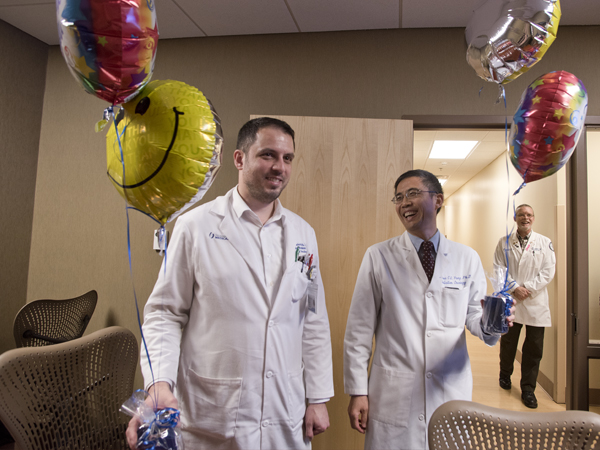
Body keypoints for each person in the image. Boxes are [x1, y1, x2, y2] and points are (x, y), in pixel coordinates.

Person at [126, 117, 334, 449]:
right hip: (214, 413)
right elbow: (165, 313)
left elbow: (313, 318)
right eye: (267, 155)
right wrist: (159, 384)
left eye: (287, 158)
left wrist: (318, 396)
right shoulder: (195, 226)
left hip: (285, 409)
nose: (279, 167)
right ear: (239, 159)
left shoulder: (303, 235)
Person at [343, 169, 514, 450]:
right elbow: (358, 330)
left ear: (438, 200)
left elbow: (473, 315)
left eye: (412, 193)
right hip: (394, 392)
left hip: (449, 390)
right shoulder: (378, 256)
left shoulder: (466, 257)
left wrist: (493, 321)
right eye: (398, 198)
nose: (404, 203)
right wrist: (358, 391)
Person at [494, 204, 556, 409]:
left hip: (535, 301)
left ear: (533, 218)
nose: (525, 218)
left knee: (534, 348)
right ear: (515, 218)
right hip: (512, 301)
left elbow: (548, 272)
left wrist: (527, 288)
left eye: (529, 215)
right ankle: (505, 375)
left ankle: (528, 389)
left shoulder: (545, 243)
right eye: (521, 214)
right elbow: (499, 269)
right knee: (508, 343)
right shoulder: (504, 242)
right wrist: (514, 288)